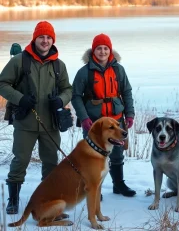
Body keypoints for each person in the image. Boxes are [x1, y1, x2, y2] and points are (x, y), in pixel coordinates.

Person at [0, 21, 72, 215]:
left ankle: (48, 201)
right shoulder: (20, 61)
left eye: (49, 38)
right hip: (25, 123)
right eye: (42, 37)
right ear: (35, 38)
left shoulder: (59, 65)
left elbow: (68, 89)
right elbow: (3, 84)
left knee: (51, 162)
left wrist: (61, 100)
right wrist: (20, 98)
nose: (45, 41)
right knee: (20, 160)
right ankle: (13, 200)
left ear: (53, 40)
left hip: (50, 124)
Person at [71, 33, 136, 197]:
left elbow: (127, 92)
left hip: (116, 120)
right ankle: (93, 187)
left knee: (117, 154)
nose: (102, 52)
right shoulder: (84, 72)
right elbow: (76, 96)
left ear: (110, 50)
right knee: (92, 156)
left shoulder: (118, 69)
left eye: (105, 48)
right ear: (93, 50)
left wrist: (129, 114)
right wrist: (84, 118)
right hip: (94, 123)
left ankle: (119, 185)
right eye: (99, 48)